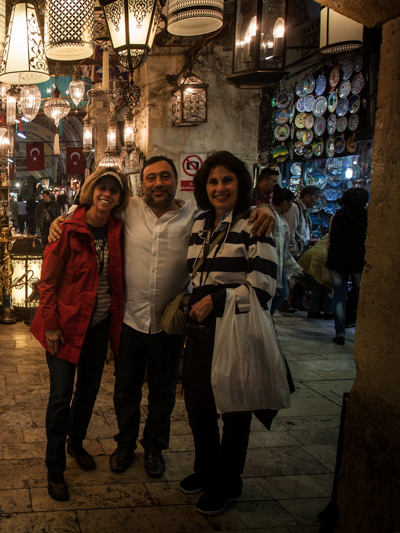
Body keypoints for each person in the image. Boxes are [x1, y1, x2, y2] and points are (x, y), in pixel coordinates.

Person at [49, 157, 275, 479]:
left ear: (176, 180)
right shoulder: (128, 210)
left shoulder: (196, 218)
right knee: (125, 390)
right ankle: (125, 444)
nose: (158, 183)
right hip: (129, 320)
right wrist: (60, 220)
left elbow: (236, 219)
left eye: (165, 177)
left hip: (171, 324)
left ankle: (154, 447)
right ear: (143, 183)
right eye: (151, 178)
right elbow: (90, 213)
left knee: (163, 391)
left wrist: (265, 210)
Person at [182, 151, 283, 516]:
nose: (220, 187)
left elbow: (263, 288)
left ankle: (228, 482)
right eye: (212, 181)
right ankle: (206, 470)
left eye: (227, 180)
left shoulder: (254, 224)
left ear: (240, 183)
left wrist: (218, 299)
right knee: (199, 404)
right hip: (201, 329)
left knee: (235, 407)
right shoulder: (199, 223)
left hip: (236, 327)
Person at [30, 168, 130, 502]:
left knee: (87, 393)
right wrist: (52, 324)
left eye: (113, 191)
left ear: (119, 197)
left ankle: (76, 443)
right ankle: (54, 467)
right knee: (60, 397)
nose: (107, 194)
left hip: (99, 325)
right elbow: (47, 283)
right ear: (90, 192)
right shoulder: (69, 229)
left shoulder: (118, 228)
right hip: (65, 325)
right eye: (101, 188)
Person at [325, 187, 369, 345]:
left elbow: (330, 240)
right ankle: (363, 333)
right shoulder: (367, 217)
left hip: (337, 261)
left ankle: (340, 334)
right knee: (363, 297)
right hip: (358, 261)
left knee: (339, 298)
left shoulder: (336, 217)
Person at [286, 186, 322, 311]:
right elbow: (290, 230)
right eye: (316, 198)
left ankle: (296, 300)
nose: (316, 201)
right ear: (307, 197)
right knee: (291, 275)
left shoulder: (303, 210)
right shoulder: (295, 208)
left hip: (300, 247)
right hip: (295, 249)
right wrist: (292, 249)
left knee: (300, 274)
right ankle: (287, 301)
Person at [270, 187, 303, 315]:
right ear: (285, 202)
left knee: (281, 291)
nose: (291, 205)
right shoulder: (272, 216)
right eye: (290, 202)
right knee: (281, 292)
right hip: (274, 259)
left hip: (280, 259)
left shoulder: (280, 217)